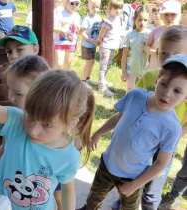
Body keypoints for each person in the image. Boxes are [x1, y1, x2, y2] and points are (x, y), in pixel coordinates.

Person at [0, 70, 95, 210]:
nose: (33, 130)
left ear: (71, 123)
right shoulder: (17, 122)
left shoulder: (69, 157)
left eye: (47, 124)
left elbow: (67, 190)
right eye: (30, 115)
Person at [80, 54, 187, 210]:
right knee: (94, 197)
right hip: (108, 163)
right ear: (157, 79)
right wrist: (98, 133)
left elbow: (161, 163)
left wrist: (134, 185)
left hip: (133, 176)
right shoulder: (135, 95)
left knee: (128, 207)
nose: (167, 93)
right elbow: (118, 117)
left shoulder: (172, 127)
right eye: (164, 84)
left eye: (177, 91)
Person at [111, 25, 187, 210]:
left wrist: (175, 137)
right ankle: (124, 200)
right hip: (139, 144)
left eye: (176, 53)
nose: (168, 59)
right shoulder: (151, 76)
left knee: (151, 191)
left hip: (163, 149)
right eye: (163, 53)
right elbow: (135, 103)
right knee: (129, 177)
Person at [96, 0, 124, 97]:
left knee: (109, 64)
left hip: (112, 46)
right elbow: (101, 33)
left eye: (120, 8)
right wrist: (99, 40)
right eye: (115, 8)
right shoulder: (108, 21)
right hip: (106, 46)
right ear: (109, 8)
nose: (118, 11)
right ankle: (101, 87)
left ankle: (103, 80)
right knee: (103, 66)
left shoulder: (118, 19)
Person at [121, 5, 151, 92]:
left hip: (145, 70)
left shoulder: (150, 35)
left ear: (148, 21)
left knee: (142, 92)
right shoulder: (129, 35)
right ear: (134, 19)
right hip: (131, 69)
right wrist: (123, 72)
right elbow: (124, 56)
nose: (142, 22)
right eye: (140, 19)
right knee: (130, 91)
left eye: (145, 20)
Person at [144, 0, 181, 70]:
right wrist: (155, 52)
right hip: (155, 69)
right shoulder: (157, 31)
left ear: (179, 15)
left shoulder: (182, 33)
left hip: (173, 70)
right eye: (166, 14)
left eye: (173, 14)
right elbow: (146, 46)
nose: (169, 18)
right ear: (161, 16)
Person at [53, 0, 82, 69]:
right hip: (59, 42)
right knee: (59, 63)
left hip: (71, 42)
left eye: (76, 4)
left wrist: (77, 27)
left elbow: (79, 32)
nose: (74, 6)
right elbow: (53, 28)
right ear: (66, 3)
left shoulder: (77, 16)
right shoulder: (59, 14)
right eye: (72, 3)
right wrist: (61, 30)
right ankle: (58, 77)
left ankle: (65, 78)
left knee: (68, 63)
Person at [80, 0, 102, 88]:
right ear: (88, 6)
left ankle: (88, 78)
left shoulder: (99, 18)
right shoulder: (87, 19)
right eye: (93, 7)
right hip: (87, 45)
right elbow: (82, 33)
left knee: (92, 62)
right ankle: (83, 81)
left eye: (97, 7)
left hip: (93, 45)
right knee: (88, 63)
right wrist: (91, 40)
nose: (95, 9)